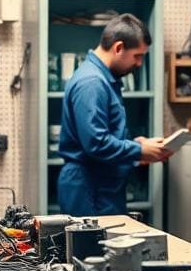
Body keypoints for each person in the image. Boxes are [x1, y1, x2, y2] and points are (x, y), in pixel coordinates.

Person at [57, 13, 169, 215]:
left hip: (100, 185)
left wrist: (139, 147)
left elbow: (103, 135)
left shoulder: (102, 79)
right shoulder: (92, 83)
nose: (139, 64)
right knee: (90, 247)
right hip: (90, 187)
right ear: (118, 48)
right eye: (137, 55)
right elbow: (96, 143)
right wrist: (137, 150)